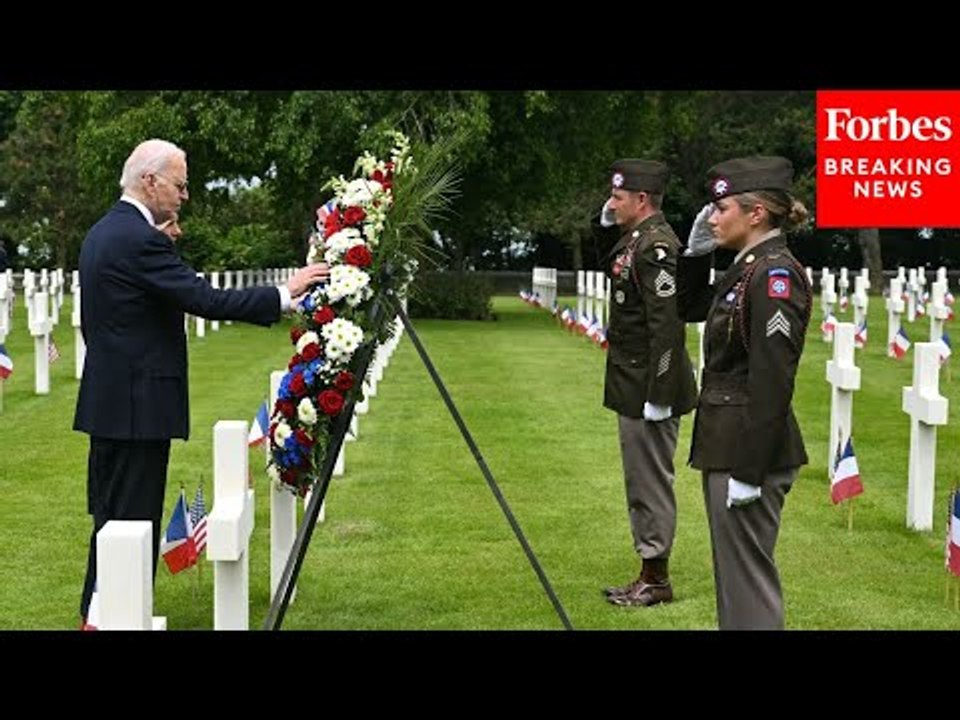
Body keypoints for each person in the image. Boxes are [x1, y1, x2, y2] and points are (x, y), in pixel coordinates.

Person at [74, 138, 329, 627]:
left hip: (110, 403)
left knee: (111, 523)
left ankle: (97, 613)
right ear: (150, 181)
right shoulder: (139, 239)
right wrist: (285, 292)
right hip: (137, 406)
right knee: (134, 525)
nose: (185, 195)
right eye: (180, 184)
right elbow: (205, 299)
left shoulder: (104, 232)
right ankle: (114, 617)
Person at [677, 155, 812, 630]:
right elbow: (690, 306)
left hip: (747, 451)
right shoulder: (747, 268)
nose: (712, 217)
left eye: (721, 208)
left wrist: (751, 470)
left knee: (747, 584)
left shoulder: (775, 276)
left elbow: (772, 380)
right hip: (726, 443)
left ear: (756, 214)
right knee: (734, 584)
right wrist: (695, 255)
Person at [599, 159, 698, 607]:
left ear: (641, 200)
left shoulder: (656, 247)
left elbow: (666, 328)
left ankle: (656, 577)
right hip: (632, 381)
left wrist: (660, 393)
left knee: (649, 481)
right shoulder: (638, 239)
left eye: (618, 198)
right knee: (638, 479)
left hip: (648, 386)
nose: (610, 203)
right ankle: (647, 570)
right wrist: (610, 221)